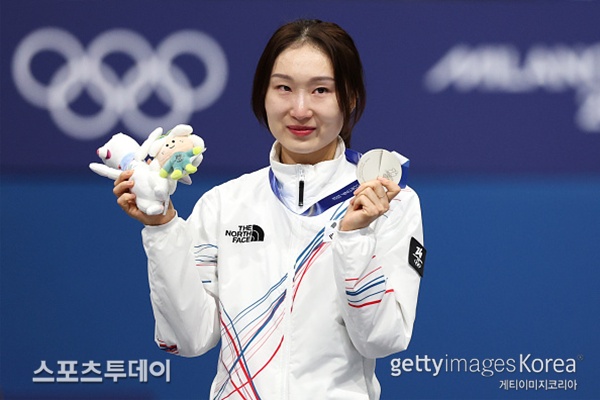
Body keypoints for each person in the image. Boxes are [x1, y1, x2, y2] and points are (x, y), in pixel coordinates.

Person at [114, 18, 424, 400]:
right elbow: (188, 339)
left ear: (351, 98)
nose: (300, 109)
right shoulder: (225, 203)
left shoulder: (390, 203)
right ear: (263, 94)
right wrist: (162, 228)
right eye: (283, 88)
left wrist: (354, 239)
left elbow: (383, 339)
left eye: (321, 90)